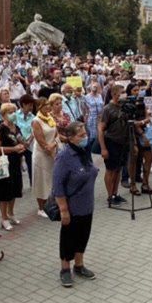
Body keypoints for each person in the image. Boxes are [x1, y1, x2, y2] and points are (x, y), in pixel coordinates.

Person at [52, 121, 98, 289]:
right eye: (81, 136)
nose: (85, 137)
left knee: (83, 236)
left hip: (87, 205)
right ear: (70, 138)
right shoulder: (64, 156)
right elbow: (57, 185)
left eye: (85, 134)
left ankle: (79, 265)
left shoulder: (84, 151)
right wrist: (63, 210)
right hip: (71, 207)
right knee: (68, 238)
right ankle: (65, 269)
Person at [98, 84, 132, 207]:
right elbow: (101, 129)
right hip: (111, 142)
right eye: (122, 92)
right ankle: (109, 196)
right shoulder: (108, 109)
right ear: (114, 94)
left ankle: (115, 193)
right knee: (110, 170)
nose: (124, 94)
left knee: (118, 170)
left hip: (123, 142)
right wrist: (103, 148)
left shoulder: (124, 107)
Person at [0, 102, 26, 228]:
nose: (13, 114)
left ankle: (11, 213)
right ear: (3, 115)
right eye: (10, 112)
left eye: (14, 112)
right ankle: (4, 218)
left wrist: (22, 146)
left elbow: (20, 140)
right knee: (4, 190)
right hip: (4, 163)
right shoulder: (1, 129)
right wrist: (13, 149)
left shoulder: (16, 127)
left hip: (16, 162)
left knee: (15, 188)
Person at [32, 94, 62, 214]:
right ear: (39, 107)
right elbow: (40, 140)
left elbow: (56, 133)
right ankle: (41, 207)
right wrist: (48, 148)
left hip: (52, 150)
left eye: (48, 105)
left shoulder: (50, 117)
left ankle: (51, 203)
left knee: (51, 179)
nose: (48, 107)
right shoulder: (36, 121)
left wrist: (54, 145)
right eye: (45, 106)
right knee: (41, 180)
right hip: (41, 154)